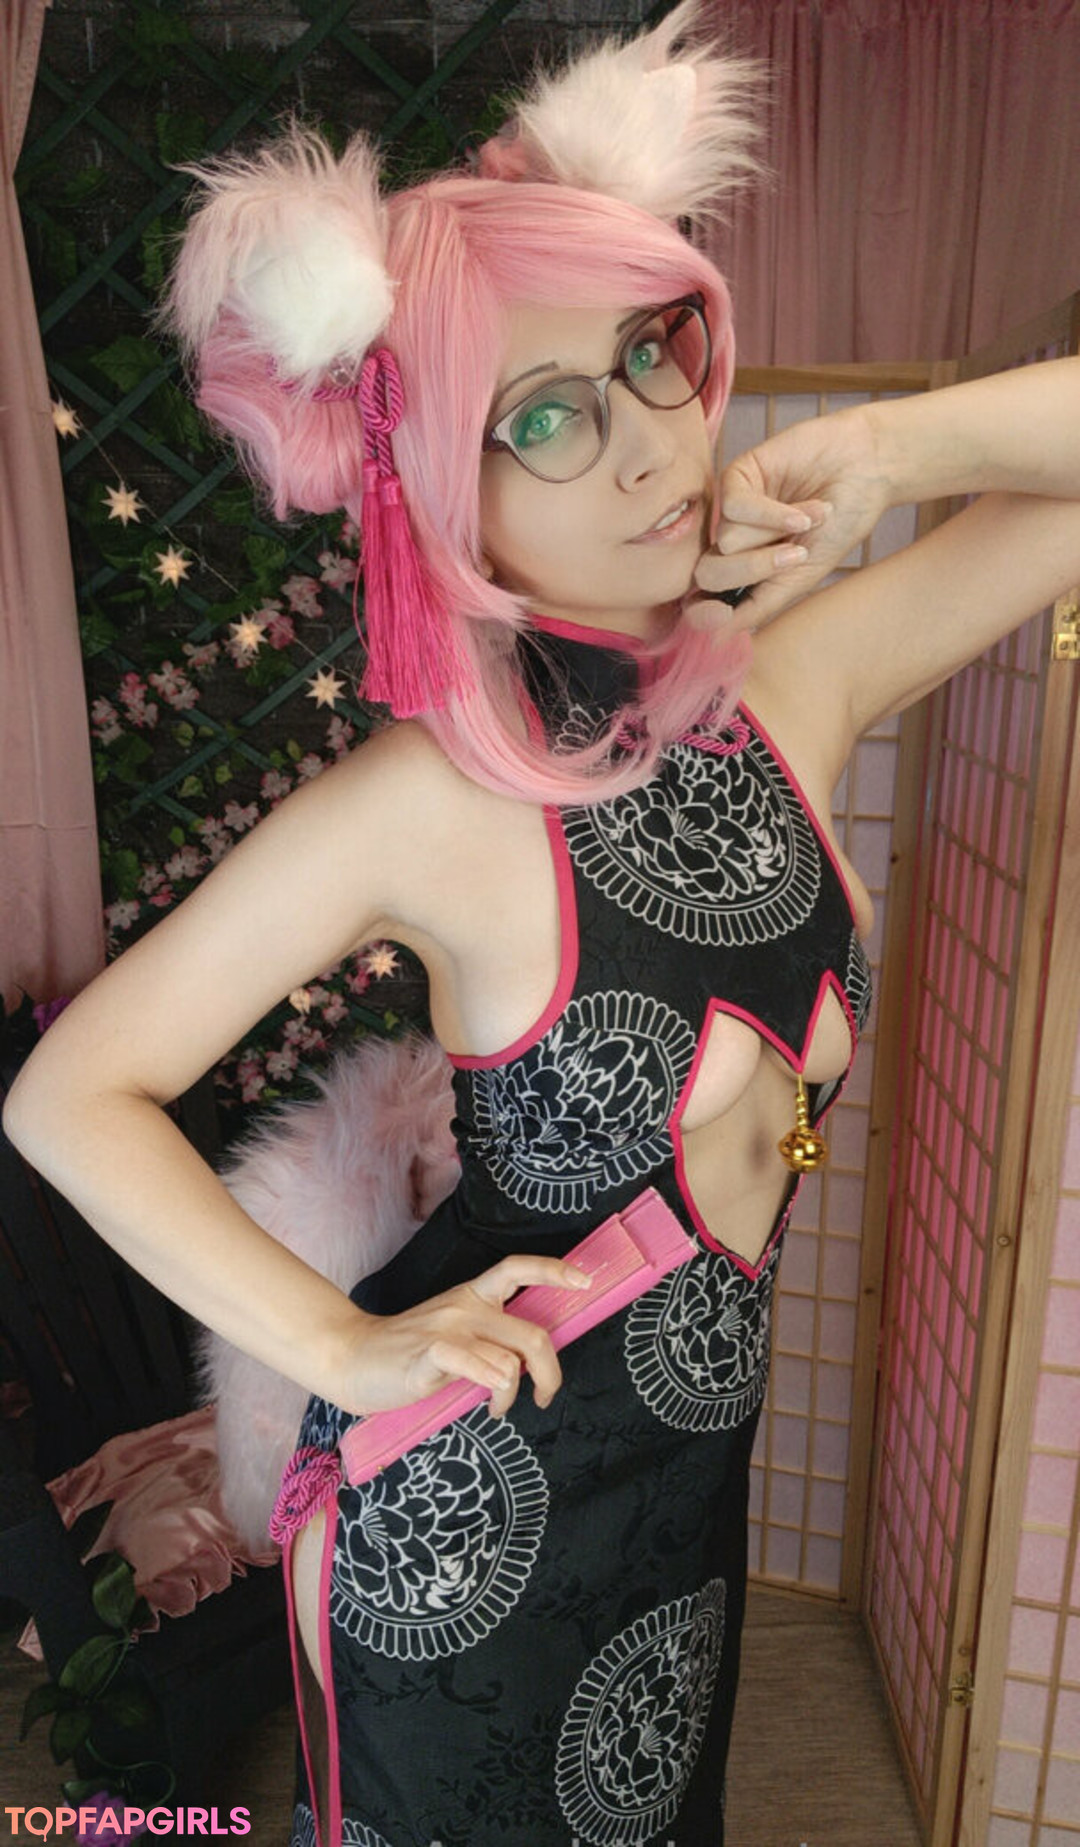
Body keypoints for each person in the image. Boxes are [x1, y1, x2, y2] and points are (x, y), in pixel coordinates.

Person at [5, 7, 1080, 1845]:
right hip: (463, 1536)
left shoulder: (798, 694)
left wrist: (882, 448)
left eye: (656, 353)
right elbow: (67, 1097)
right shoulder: (427, 805)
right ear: (445, 488)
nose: (653, 445)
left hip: (686, 1500)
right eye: (550, 416)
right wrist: (340, 1350)